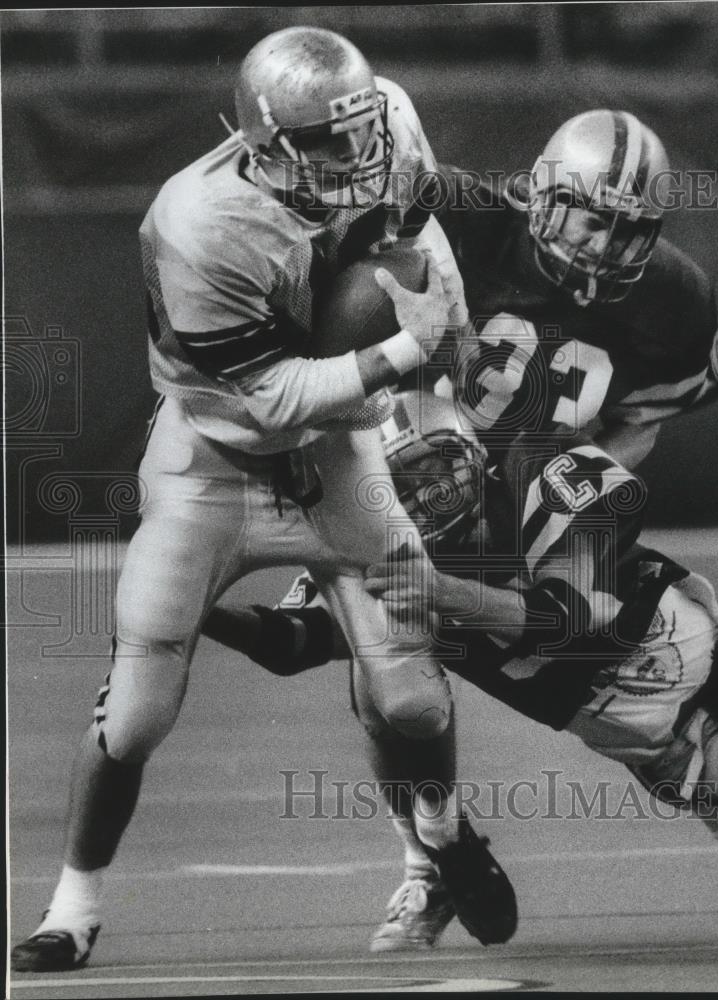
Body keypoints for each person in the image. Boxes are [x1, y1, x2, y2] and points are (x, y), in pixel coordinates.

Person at [10, 26, 518, 974]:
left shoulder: (390, 137)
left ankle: (438, 845)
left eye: (360, 129)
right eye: (327, 141)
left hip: (335, 452)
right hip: (217, 457)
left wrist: (432, 347)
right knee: (137, 711)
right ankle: (71, 909)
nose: (356, 153)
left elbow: (417, 252)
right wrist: (403, 351)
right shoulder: (198, 226)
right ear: (265, 143)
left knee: (410, 696)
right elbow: (271, 398)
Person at [200, 110, 718, 950]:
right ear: (544, 196)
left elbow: (642, 419)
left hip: (544, 497)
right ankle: (429, 860)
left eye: (629, 228)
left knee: (609, 678)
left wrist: (578, 487)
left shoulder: (676, 298)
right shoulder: (459, 218)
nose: (604, 244)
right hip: (419, 474)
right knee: (389, 680)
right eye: (592, 216)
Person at [208, 410, 718, 939]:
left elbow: (573, 621)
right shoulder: (375, 561)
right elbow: (290, 643)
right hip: (677, 745)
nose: (429, 494)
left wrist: (446, 592)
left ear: (470, 453)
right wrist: (196, 611)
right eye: (401, 486)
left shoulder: (539, 473)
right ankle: (436, 848)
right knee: (377, 670)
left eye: (433, 467)